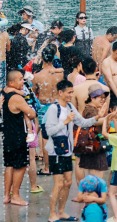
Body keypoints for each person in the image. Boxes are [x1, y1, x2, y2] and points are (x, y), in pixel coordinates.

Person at [44, 79, 106, 222]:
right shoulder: (53, 109)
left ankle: (61, 211)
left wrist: (98, 116)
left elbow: (82, 122)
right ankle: (52, 214)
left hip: (67, 150)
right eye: (69, 92)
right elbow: (49, 131)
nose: (71, 95)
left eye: (72, 92)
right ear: (60, 92)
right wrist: (64, 122)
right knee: (58, 183)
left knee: (68, 183)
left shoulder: (71, 106)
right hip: (56, 152)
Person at [0, 70, 36, 206]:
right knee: (20, 166)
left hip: (7, 135)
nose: (23, 82)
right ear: (11, 82)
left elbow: (8, 90)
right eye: (20, 80)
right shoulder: (17, 98)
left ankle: (6, 195)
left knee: (9, 165)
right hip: (18, 136)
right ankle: (15, 195)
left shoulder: (4, 92)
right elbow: (31, 114)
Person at [31, 44, 64, 175]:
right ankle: (60, 164)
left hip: (44, 108)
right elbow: (61, 70)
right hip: (57, 106)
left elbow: (34, 92)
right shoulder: (59, 74)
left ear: (42, 59)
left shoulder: (38, 76)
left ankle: (47, 167)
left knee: (45, 138)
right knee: (58, 135)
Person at [78, 84, 111, 179]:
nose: (103, 100)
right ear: (92, 98)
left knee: (97, 175)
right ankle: (94, 193)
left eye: (104, 97)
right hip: (93, 146)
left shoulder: (95, 109)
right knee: (97, 175)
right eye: (100, 97)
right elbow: (94, 122)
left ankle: (94, 193)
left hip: (96, 145)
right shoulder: (89, 109)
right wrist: (107, 118)